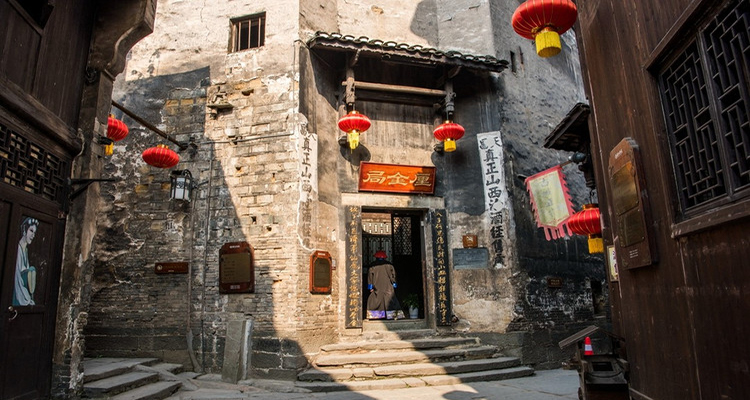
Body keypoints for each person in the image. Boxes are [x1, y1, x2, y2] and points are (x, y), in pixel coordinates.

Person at [366, 250, 403, 319]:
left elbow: (370, 277)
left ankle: (376, 315)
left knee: (376, 300)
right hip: (388, 285)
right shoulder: (389, 265)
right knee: (390, 300)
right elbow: (393, 276)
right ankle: (393, 315)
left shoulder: (373, 265)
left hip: (377, 285)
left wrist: (370, 287)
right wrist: (394, 284)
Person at [13, 217, 38, 306]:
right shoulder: (18, 249)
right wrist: (27, 300)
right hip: (18, 295)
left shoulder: (25, 250)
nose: (33, 235)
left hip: (25, 293)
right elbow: (17, 279)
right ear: (24, 229)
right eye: (31, 231)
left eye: (34, 233)